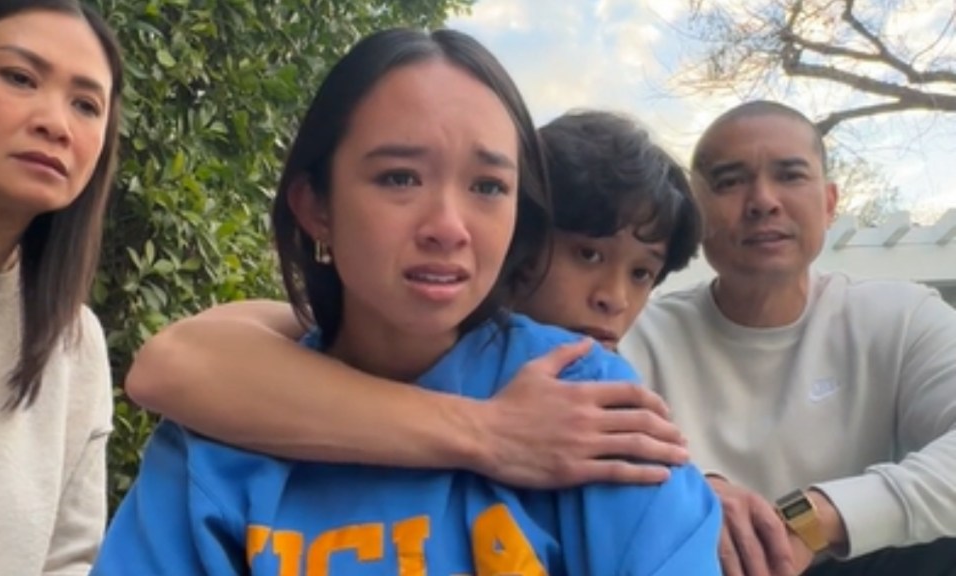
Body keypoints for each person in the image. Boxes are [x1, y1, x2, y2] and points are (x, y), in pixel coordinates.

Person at [94, 28, 720, 574]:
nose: (449, 226)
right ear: (316, 206)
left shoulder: (588, 404)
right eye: (399, 177)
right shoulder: (221, 435)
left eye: (487, 186)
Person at [123, 110, 704, 488]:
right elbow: (170, 364)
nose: (613, 298)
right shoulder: (342, 342)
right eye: (588, 255)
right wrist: (492, 431)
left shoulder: (607, 411)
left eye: (643, 274)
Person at [621, 100, 956, 576]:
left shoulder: (902, 317)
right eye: (730, 181)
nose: (763, 201)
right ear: (694, 214)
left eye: (791, 175)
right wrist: (692, 492)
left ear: (830, 202)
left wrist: (814, 518)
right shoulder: (637, 337)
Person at [0, 0, 122, 574]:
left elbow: (71, 560)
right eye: (20, 77)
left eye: (86, 105)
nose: (55, 123)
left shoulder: (75, 341)